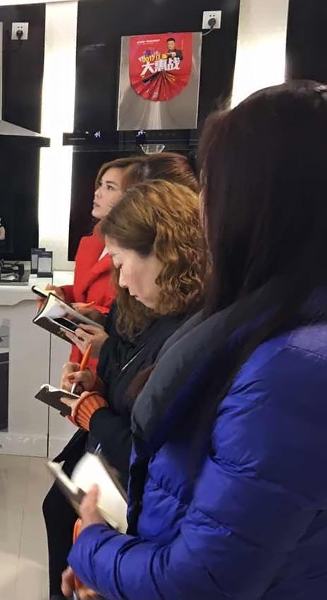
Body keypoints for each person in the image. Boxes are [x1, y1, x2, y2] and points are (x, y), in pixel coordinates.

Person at [65, 81, 327, 600]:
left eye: (212, 185)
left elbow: (197, 580)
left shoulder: (290, 367)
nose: (201, 207)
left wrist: (94, 547)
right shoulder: (259, 321)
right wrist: (115, 563)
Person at [43, 180, 205, 600]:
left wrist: (93, 413)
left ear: (160, 252)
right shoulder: (158, 313)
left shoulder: (189, 335)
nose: (120, 279)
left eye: (119, 260)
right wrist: (97, 386)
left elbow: (146, 449)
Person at [63, 152, 200, 360]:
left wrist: (108, 352)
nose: (98, 193)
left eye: (111, 187)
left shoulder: (179, 316)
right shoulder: (96, 242)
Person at [47, 157, 142, 367]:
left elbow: (139, 315)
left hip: (111, 357)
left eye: (109, 187)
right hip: (81, 352)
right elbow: (85, 293)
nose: (98, 193)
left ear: (132, 196)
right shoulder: (91, 242)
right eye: (100, 185)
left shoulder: (138, 252)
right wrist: (62, 295)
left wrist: (100, 315)